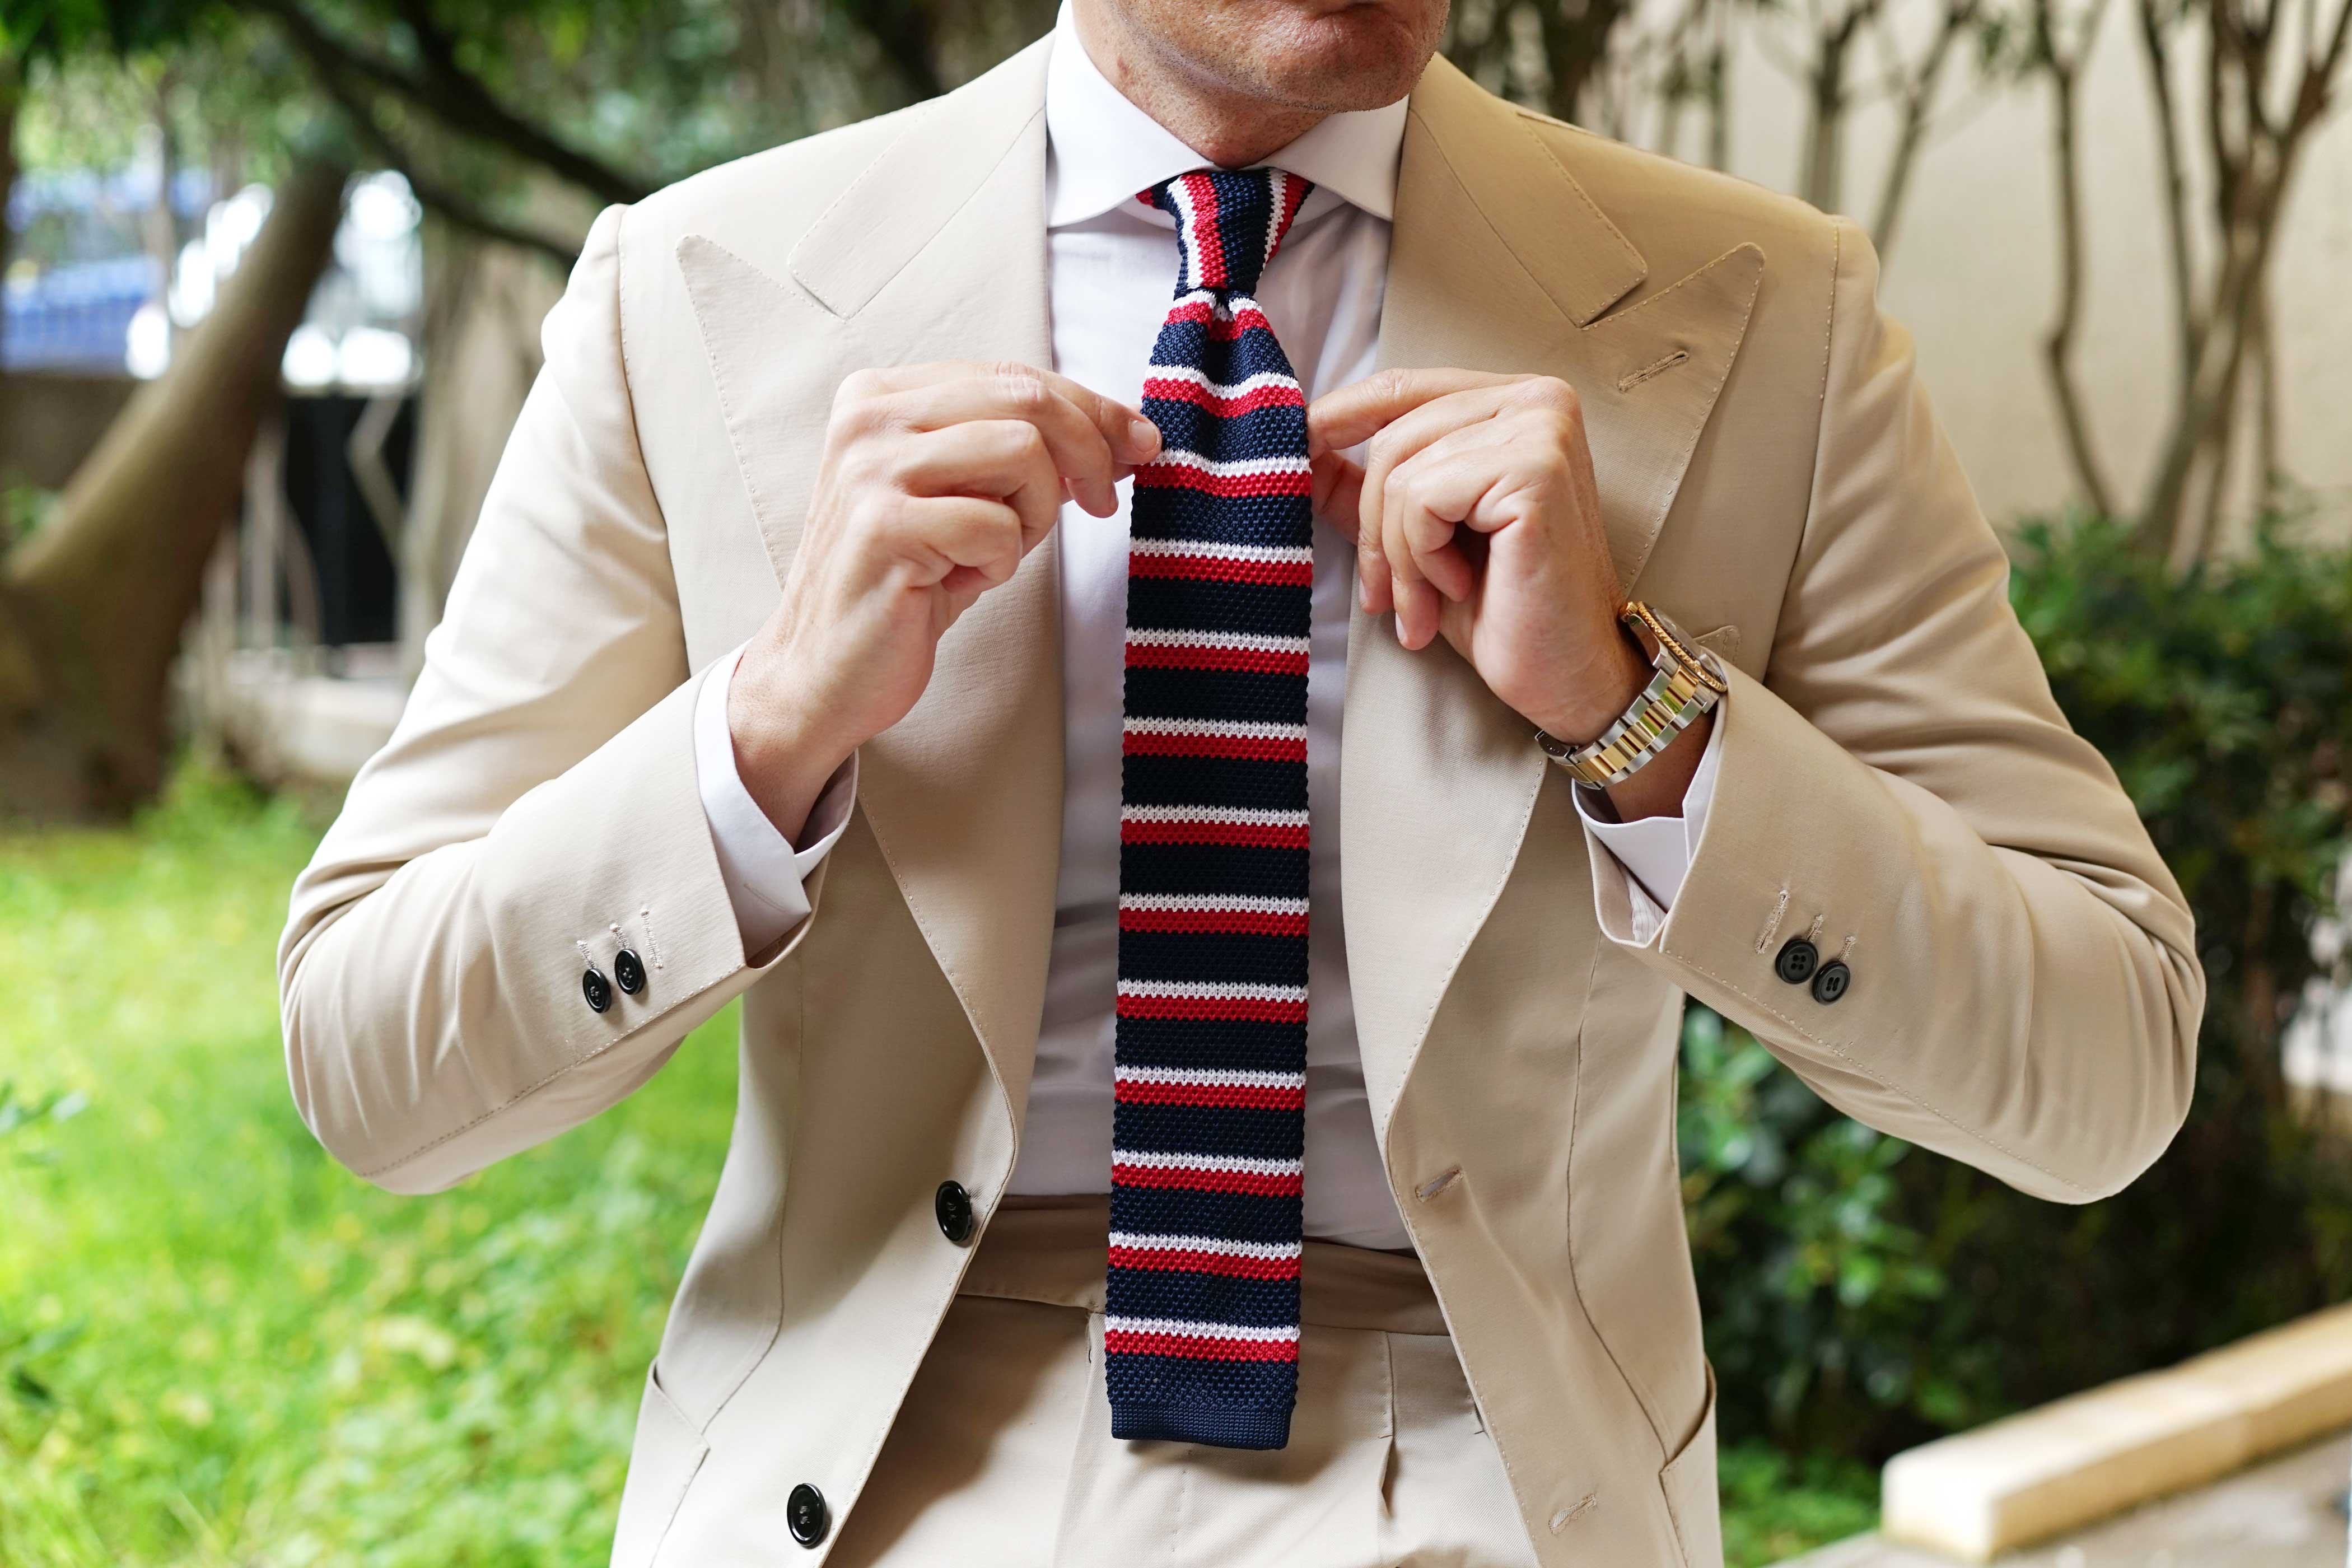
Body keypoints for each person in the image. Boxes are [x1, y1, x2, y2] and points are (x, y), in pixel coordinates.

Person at [277, 1, 2204, 1562]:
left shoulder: (1764, 310)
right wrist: (769, 726)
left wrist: (1640, 715)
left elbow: (2104, 1063)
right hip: (866, 1458)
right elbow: (369, 1056)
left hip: (1475, 1456)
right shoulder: (696, 291)